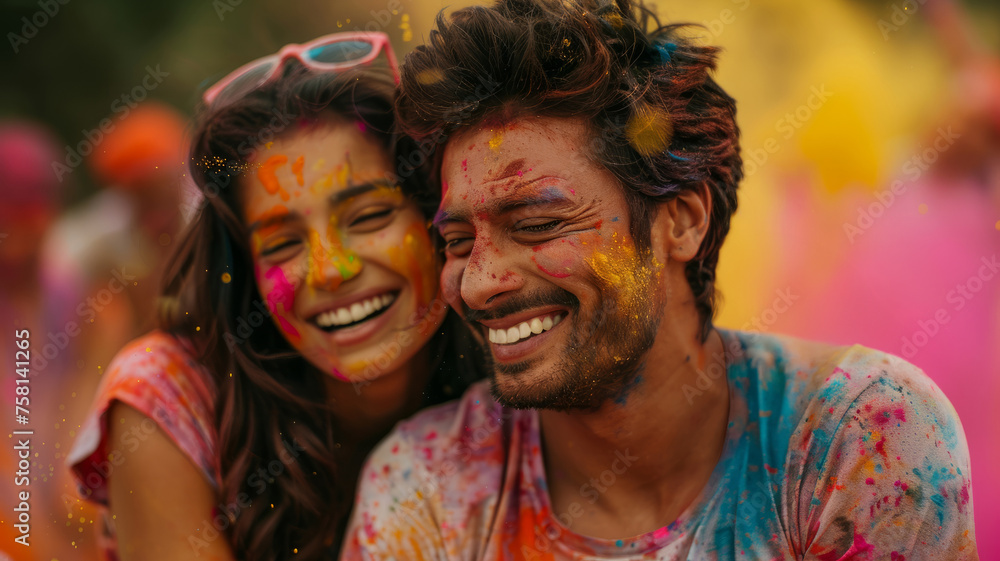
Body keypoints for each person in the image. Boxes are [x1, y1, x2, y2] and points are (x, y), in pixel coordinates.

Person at [341, 1, 979, 559]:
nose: (478, 284)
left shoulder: (857, 436)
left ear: (683, 221)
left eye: (535, 225)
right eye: (457, 241)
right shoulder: (426, 488)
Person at [67, 32, 481, 561]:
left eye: (370, 216)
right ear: (246, 272)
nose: (332, 270)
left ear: (437, 219)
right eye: (283, 243)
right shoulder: (168, 400)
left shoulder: (515, 364)